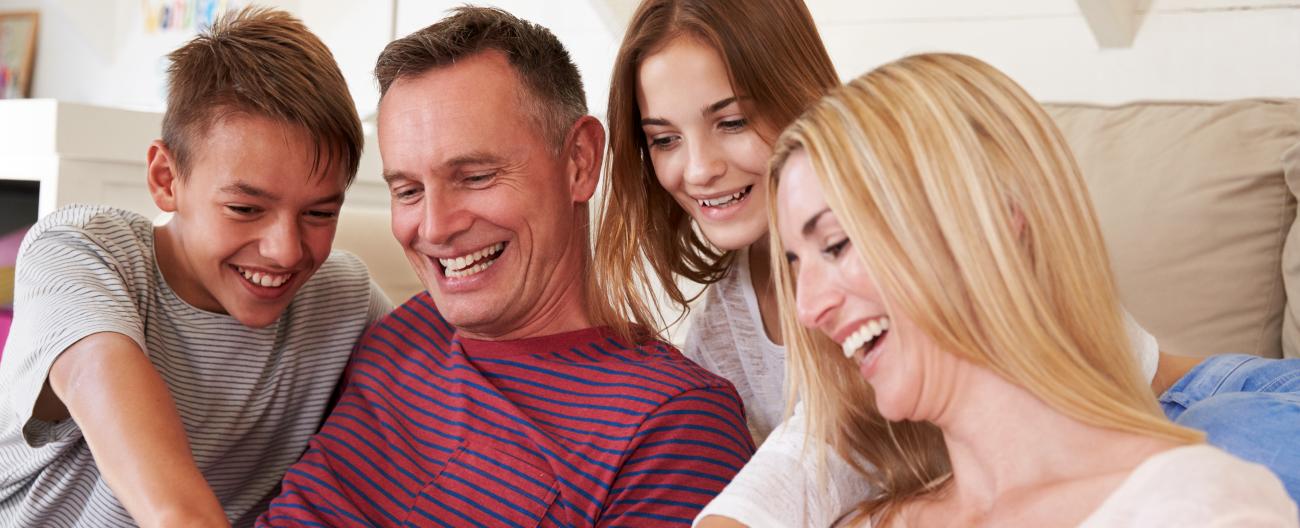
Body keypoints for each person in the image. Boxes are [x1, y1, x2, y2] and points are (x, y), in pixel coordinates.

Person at [593, 1, 1300, 525]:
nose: (701, 167)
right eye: (663, 139)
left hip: (1185, 394)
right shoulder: (725, 330)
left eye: (732, 120)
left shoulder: (917, 186)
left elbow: (816, 451)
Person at [257, 7, 753, 527]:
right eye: (407, 190)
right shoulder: (395, 333)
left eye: (475, 176)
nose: (435, 227)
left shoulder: (675, 424)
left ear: (579, 162)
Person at [769, 52, 1297, 527]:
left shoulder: (1198, 507)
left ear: (993, 222)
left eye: (836, 244)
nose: (808, 308)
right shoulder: (864, 521)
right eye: (796, 264)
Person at [0, 8, 390, 528]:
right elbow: (168, 500)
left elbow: (449, 383)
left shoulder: (344, 298)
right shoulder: (81, 250)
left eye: (320, 213)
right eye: (246, 209)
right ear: (166, 179)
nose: (286, 251)